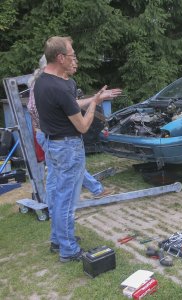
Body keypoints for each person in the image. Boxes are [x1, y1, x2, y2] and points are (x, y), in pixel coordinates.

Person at [34, 36, 121, 262]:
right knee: (66, 200)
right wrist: (94, 104)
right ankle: (68, 249)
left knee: (57, 194)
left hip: (53, 144)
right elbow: (82, 126)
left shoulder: (43, 81)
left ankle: (58, 240)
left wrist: (94, 98)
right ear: (60, 57)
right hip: (68, 147)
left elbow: (70, 106)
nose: (75, 59)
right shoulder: (60, 87)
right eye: (72, 55)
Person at [28, 56, 112, 202]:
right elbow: (80, 123)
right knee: (69, 171)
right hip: (55, 136)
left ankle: (53, 205)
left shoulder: (39, 84)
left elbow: (67, 105)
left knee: (57, 172)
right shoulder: (49, 86)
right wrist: (94, 102)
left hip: (45, 134)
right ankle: (92, 192)